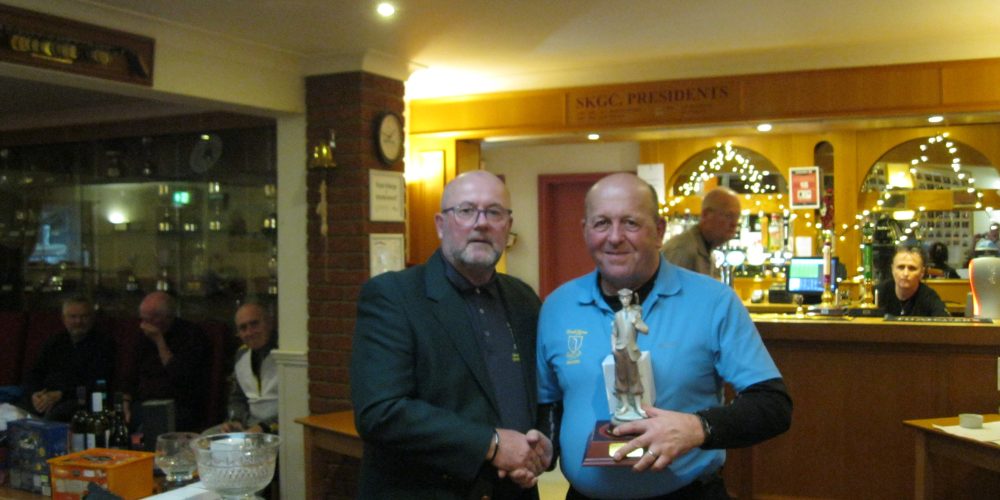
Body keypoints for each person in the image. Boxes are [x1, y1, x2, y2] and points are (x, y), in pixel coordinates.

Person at [537, 173, 791, 499]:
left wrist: (698, 427)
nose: (614, 237)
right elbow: (550, 402)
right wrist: (539, 449)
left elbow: (773, 406)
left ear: (659, 231)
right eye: (601, 223)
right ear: (585, 230)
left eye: (630, 223)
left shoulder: (714, 301)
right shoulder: (557, 306)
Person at [350, 171, 553, 499]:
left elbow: (541, 390)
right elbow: (381, 411)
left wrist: (539, 444)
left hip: (514, 491)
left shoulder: (524, 299)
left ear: (508, 225)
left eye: (494, 212)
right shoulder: (393, 296)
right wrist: (491, 444)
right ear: (441, 224)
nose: (481, 223)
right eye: (466, 210)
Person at [125, 291, 210, 432]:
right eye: (142, 319)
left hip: (177, 404)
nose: (143, 325)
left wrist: (159, 341)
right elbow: (131, 373)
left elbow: (179, 375)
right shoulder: (142, 336)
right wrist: (125, 401)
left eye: (149, 320)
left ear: (165, 317)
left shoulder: (192, 335)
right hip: (142, 402)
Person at [21, 296, 116, 421]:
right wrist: (35, 394)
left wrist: (60, 395)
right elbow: (35, 373)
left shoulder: (104, 344)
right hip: (46, 397)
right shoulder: (54, 342)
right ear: (64, 319)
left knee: (59, 413)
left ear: (93, 317)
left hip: (79, 400)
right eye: (73, 317)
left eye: (84, 316)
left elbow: (97, 383)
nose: (78, 321)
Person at [216, 302, 278, 434]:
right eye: (243, 328)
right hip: (249, 425)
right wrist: (235, 420)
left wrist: (264, 427)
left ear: (269, 323)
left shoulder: (285, 355)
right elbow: (237, 397)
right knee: (204, 439)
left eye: (254, 324)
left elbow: (297, 405)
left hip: (279, 427)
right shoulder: (241, 354)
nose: (249, 332)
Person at [661, 187, 742, 279]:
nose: (734, 224)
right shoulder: (682, 251)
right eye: (728, 216)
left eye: (737, 217)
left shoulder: (703, 249)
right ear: (706, 214)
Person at [876, 243, 949, 317]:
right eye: (901, 267)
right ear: (892, 269)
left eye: (912, 268)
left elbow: (944, 321)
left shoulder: (929, 297)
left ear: (922, 273)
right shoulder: (878, 292)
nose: (905, 273)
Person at [611, 288, 648, 425]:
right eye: (622, 298)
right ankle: (625, 405)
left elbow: (646, 330)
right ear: (620, 299)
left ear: (631, 298)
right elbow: (614, 333)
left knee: (634, 378)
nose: (625, 300)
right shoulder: (617, 315)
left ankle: (638, 407)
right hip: (620, 350)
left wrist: (636, 323)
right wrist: (613, 348)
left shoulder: (635, 314)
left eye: (627, 298)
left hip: (631, 350)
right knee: (621, 378)